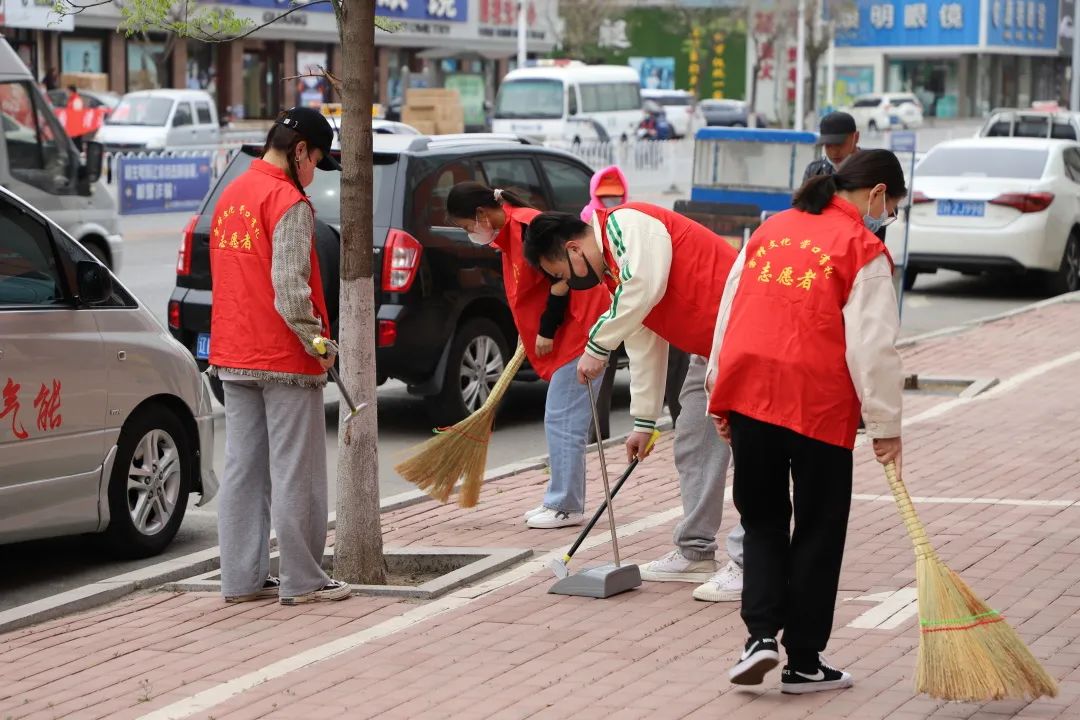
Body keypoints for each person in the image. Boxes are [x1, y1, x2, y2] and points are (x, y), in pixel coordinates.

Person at [707, 149, 905, 693]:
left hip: (749, 396)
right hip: (817, 407)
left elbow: (729, 314)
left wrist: (718, 399)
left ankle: (760, 637)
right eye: (891, 207)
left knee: (763, 521)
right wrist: (887, 426)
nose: (887, 217)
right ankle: (804, 662)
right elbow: (875, 349)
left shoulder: (770, 232)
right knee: (818, 530)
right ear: (878, 195)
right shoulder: (863, 248)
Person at [522, 202, 746, 601]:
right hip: (709, 347)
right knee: (694, 437)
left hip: (745, 332)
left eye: (559, 274)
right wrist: (643, 422)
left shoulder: (625, 224)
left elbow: (646, 285)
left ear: (574, 250)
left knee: (749, 446)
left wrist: (597, 345)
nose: (567, 283)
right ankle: (695, 551)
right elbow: (645, 342)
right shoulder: (614, 275)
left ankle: (753, 562)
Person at [208, 106, 350, 606]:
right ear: (301, 152)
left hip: (233, 353)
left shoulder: (232, 195)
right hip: (284, 358)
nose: (314, 173)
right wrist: (320, 342)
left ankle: (241, 581)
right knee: (297, 472)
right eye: (316, 162)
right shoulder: (287, 201)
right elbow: (291, 291)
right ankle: (304, 580)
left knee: (244, 471)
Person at [445, 181, 612, 529]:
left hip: (578, 336)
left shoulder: (527, 229)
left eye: (466, 227)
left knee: (564, 420)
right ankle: (561, 498)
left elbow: (564, 282)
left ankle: (565, 504)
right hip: (568, 338)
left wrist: (549, 330)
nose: (470, 234)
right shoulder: (508, 234)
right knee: (561, 418)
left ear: (480, 214)